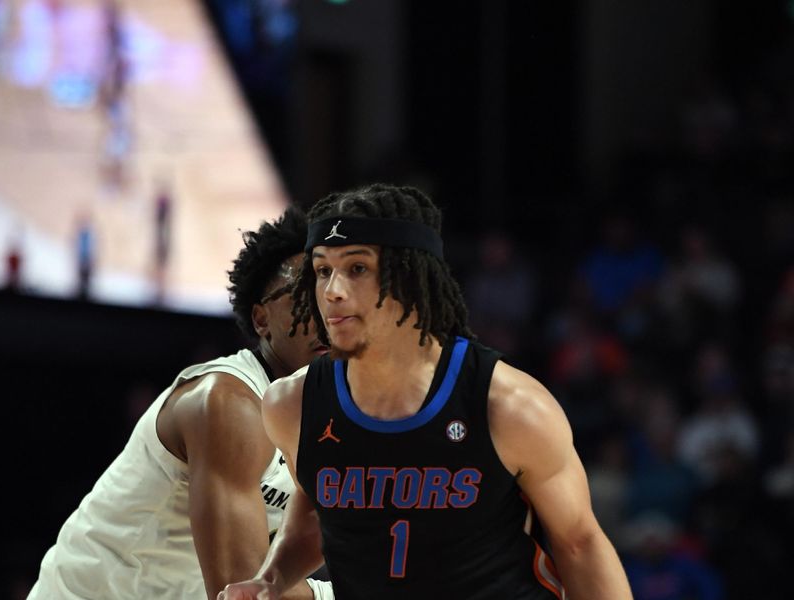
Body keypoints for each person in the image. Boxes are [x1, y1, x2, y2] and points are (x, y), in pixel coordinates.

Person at [220, 184, 633, 599]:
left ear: (409, 279)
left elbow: (580, 544)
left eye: (357, 268)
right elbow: (314, 518)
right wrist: (270, 580)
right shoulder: (292, 405)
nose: (332, 291)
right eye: (323, 270)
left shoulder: (509, 406)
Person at [28, 207, 332, 600]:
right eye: (305, 300)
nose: (325, 318)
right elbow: (238, 589)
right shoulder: (228, 403)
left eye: (333, 299)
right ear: (262, 320)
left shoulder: (340, 420)